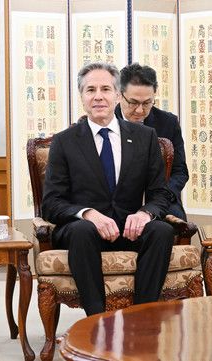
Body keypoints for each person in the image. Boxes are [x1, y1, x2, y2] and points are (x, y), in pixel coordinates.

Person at [42, 62, 174, 316]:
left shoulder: (145, 137)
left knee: (161, 231)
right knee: (82, 231)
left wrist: (145, 213)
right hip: (84, 232)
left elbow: (161, 193)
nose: (98, 96)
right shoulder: (64, 141)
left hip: (129, 228)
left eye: (105, 89)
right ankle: (97, 321)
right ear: (82, 97)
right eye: (90, 89)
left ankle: (141, 317)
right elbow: (51, 202)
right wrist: (88, 213)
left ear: (117, 95)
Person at [114, 63, 189, 221]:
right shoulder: (104, 122)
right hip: (115, 199)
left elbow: (180, 171)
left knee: (175, 220)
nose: (140, 110)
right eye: (133, 103)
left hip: (160, 197)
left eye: (147, 103)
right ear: (119, 95)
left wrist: (159, 199)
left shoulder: (168, 122)